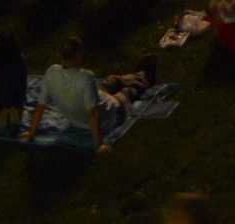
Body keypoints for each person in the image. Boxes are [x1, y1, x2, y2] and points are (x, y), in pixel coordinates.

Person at [21, 36, 154, 154]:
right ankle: (143, 77)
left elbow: (40, 106)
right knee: (127, 93)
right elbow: (93, 114)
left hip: (81, 111)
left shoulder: (51, 72)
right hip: (108, 113)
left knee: (110, 81)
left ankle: (134, 75)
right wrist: (98, 145)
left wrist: (31, 133)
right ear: (78, 55)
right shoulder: (86, 77)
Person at [0, 32, 28, 133]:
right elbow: (22, 86)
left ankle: (7, 112)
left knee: (5, 126)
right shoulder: (19, 61)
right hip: (7, 103)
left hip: (5, 103)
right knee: (9, 125)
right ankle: (7, 112)